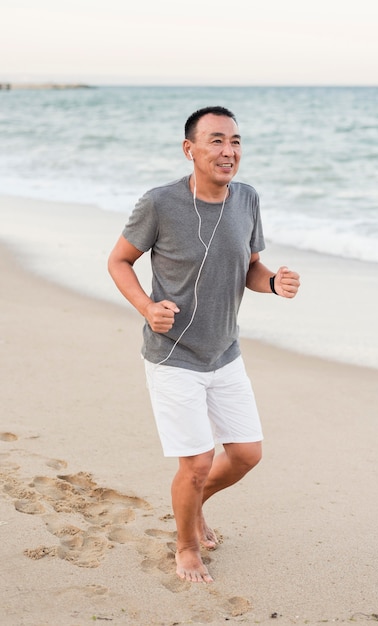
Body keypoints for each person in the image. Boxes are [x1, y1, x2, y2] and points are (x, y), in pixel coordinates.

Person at [108, 105, 300, 584]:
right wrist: (147, 308)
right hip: (174, 354)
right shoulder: (160, 203)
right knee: (194, 464)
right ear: (189, 149)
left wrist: (273, 281)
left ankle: (191, 510)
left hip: (225, 351)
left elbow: (250, 265)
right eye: (216, 140)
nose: (228, 151)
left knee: (246, 454)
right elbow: (118, 261)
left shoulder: (247, 199)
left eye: (235, 141)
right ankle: (186, 547)